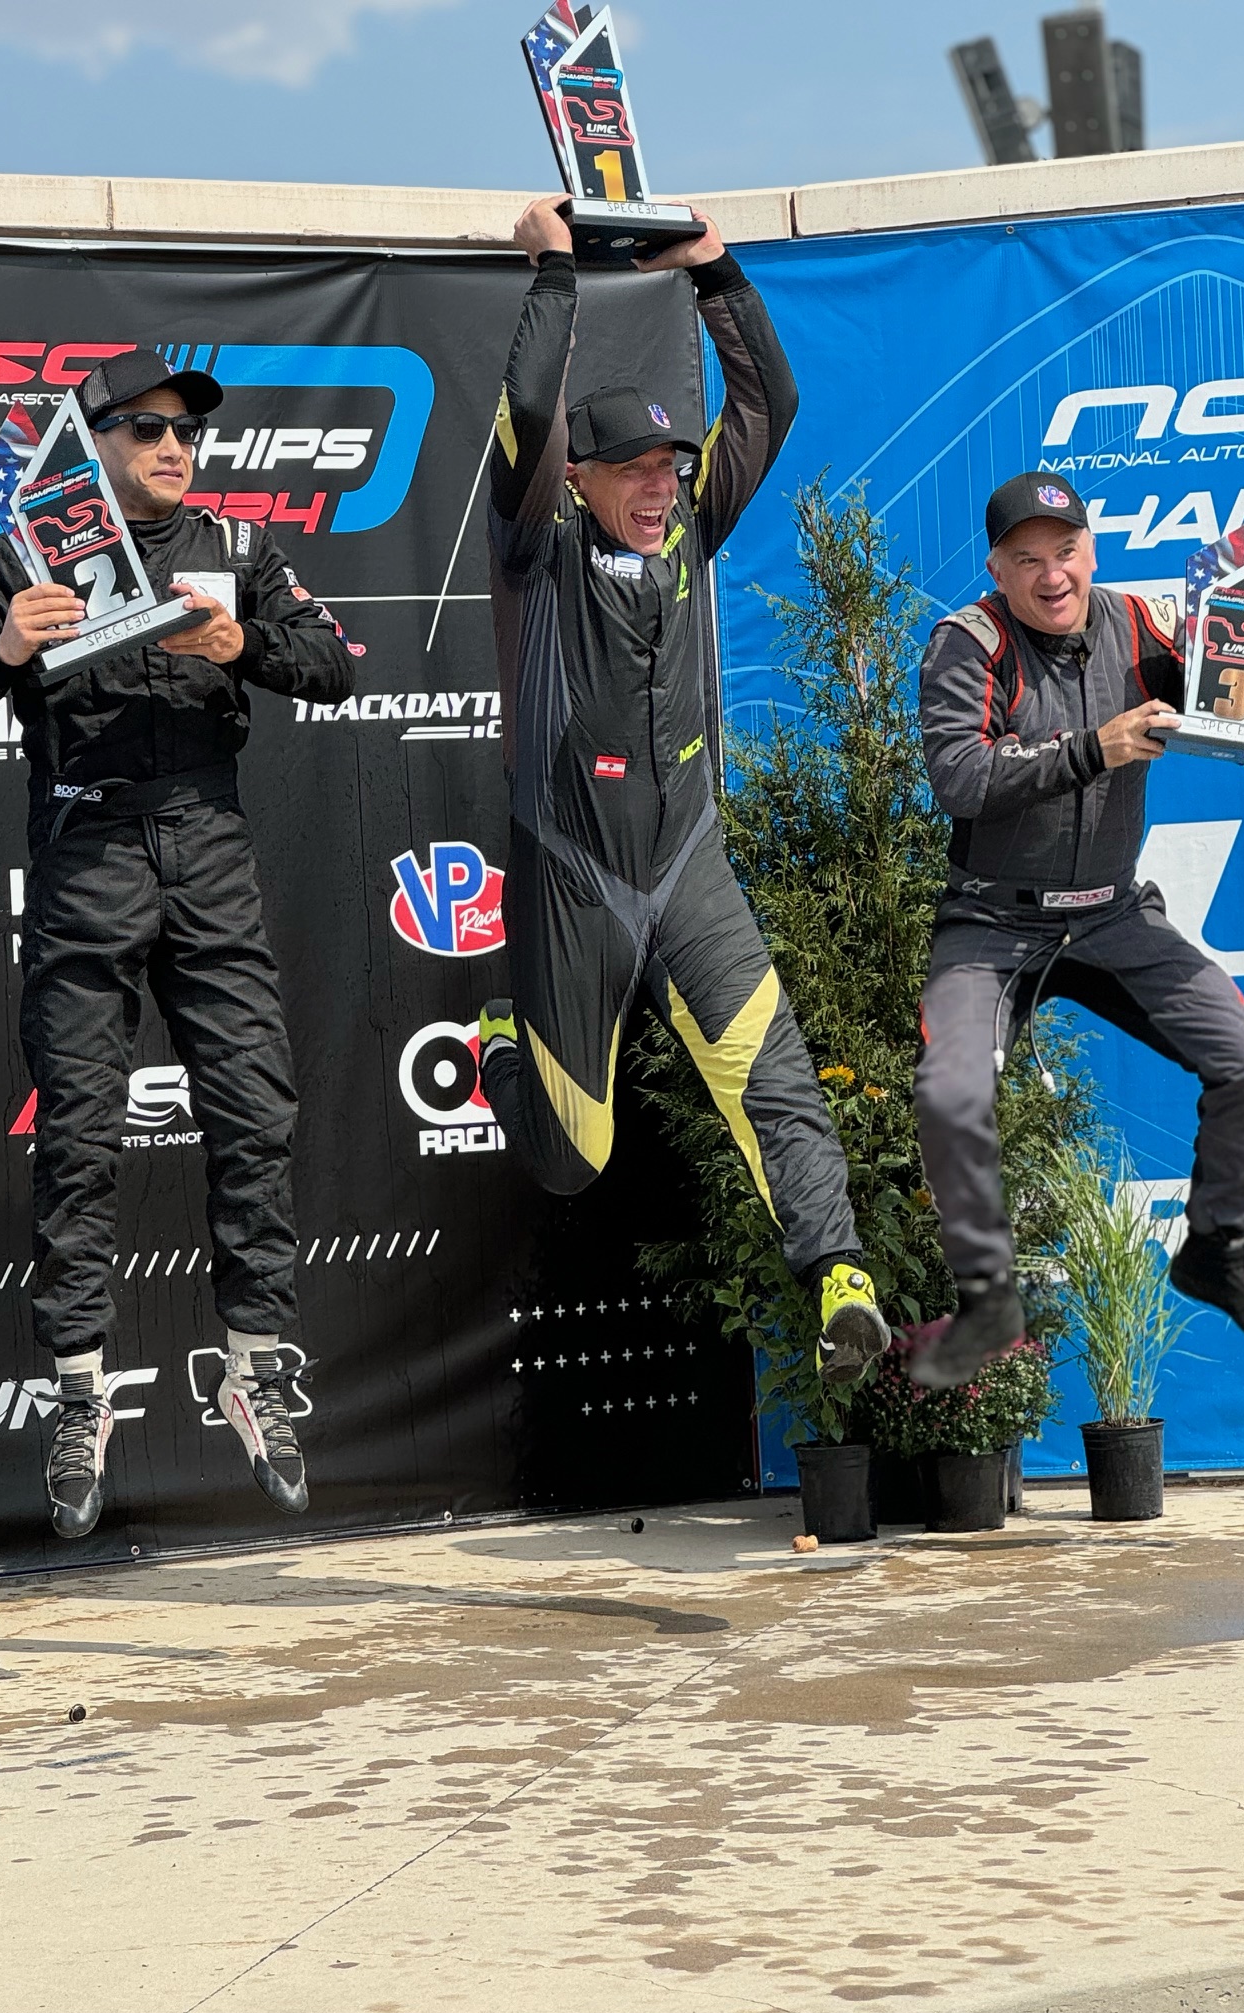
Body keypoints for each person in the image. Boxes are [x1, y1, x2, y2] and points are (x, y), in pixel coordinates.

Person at [0, 349, 358, 1536]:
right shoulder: (22, 555)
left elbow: (333, 666)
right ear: (94, 441)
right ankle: (78, 1395)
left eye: (186, 432)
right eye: (147, 429)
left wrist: (240, 648)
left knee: (256, 1110)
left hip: (207, 840)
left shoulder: (240, 547)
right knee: (78, 1133)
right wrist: (4, 649)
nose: (173, 448)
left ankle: (255, 1370)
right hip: (86, 849)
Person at [478, 194, 889, 1387]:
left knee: (777, 1079)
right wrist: (555, 273)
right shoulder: (538, 550)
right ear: (582, 480)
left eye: (671, 467)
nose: (660, 489)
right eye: (635, 472)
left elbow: (769, 405)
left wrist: (715, 270)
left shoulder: (691, 534)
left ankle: (840, 1279)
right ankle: (503, 1042)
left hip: (686, 862)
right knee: (572, 1157)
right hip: (572, 872)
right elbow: (529, 417)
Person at [909, 470, 1244, 1390]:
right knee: (949, 1091)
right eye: (1028, 560)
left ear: (1092, 552)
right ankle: (987, 1298)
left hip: (1110, 912)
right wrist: (1091, 748)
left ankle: (1214, 1250)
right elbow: (960, 778)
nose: (1052, 575)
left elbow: (1223, 707)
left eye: (1066, 552)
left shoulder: (1140, 623)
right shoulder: (967, 642)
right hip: (992, 916)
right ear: (997, 569)